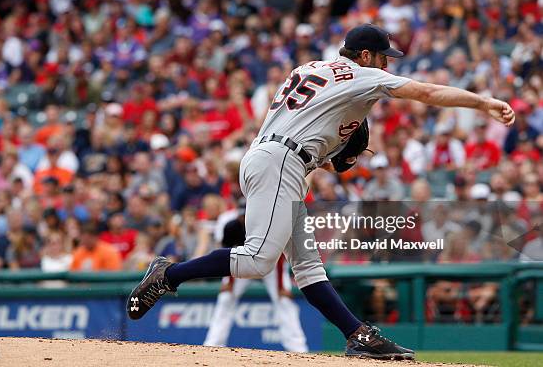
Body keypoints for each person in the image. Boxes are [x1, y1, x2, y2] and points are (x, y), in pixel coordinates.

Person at [126, 24, 515, 359]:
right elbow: (426, 93)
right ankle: (169, 274)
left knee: (308, 267)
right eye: (383, 57)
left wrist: (327, 156)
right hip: (281, 162)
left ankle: (357, 335)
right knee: (259, 259)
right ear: (365, 55)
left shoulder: (307, 68)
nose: (387, 65)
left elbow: (305, 128)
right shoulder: (363, 75)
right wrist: (483, 102)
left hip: (271, 157)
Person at [203, 201, 308, 352]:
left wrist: (280, 286)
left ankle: (298, 348)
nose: (244, 218)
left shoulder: (270, 225)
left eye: (246, 214)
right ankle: (213, 344)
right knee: (226, 297)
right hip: (242, 260)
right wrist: (229, 281)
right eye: (241, 214)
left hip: (270, 263)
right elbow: (228, 255)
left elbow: (278, 256)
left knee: (284, 300)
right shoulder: (232, 227)